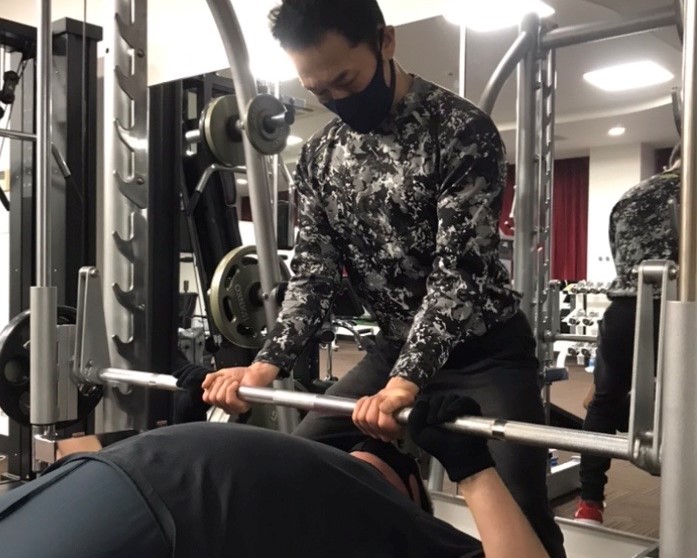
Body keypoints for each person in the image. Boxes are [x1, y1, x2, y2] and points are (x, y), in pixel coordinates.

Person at [202, 1, 565, 556]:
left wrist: (404, 384)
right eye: (319, 90)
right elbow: (315, 276)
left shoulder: (461, 130)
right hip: (393, 348)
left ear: (385, 41)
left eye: (346, 80)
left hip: (484, 354)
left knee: (520, 512)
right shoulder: (320, 157)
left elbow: (458, 276)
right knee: (302, 467)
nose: (336, 98)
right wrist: (263, 366)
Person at [0, 395, 549, 558]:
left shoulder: (403, 526)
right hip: (118, 486)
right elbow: (69, 448)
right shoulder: (323, 476)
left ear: (409, 490)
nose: (366, 451)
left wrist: (472, 468)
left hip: (129, 495)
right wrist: (472, 470)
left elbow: (74, 446)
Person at [574, 146, 680, 525]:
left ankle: (589, 504)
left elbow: (620, 260)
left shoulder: (631, 196)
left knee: (602, 403)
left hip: (626, 312)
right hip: (682, 308)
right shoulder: (689, 191)